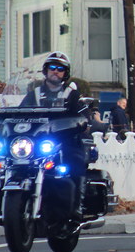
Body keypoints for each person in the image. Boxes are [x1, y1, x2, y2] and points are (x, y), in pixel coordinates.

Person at [19, 51, 88, 219]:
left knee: (77, 161)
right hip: (36, 143)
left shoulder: (72, 95)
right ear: (46, 70)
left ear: (65, 73)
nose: (55, 71)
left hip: (65, 143)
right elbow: (18, 114)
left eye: (60, 68)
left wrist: (84, 123)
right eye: (52, 67)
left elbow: (83, 118)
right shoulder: (33, 94)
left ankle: (77, 206)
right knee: (12, 164)